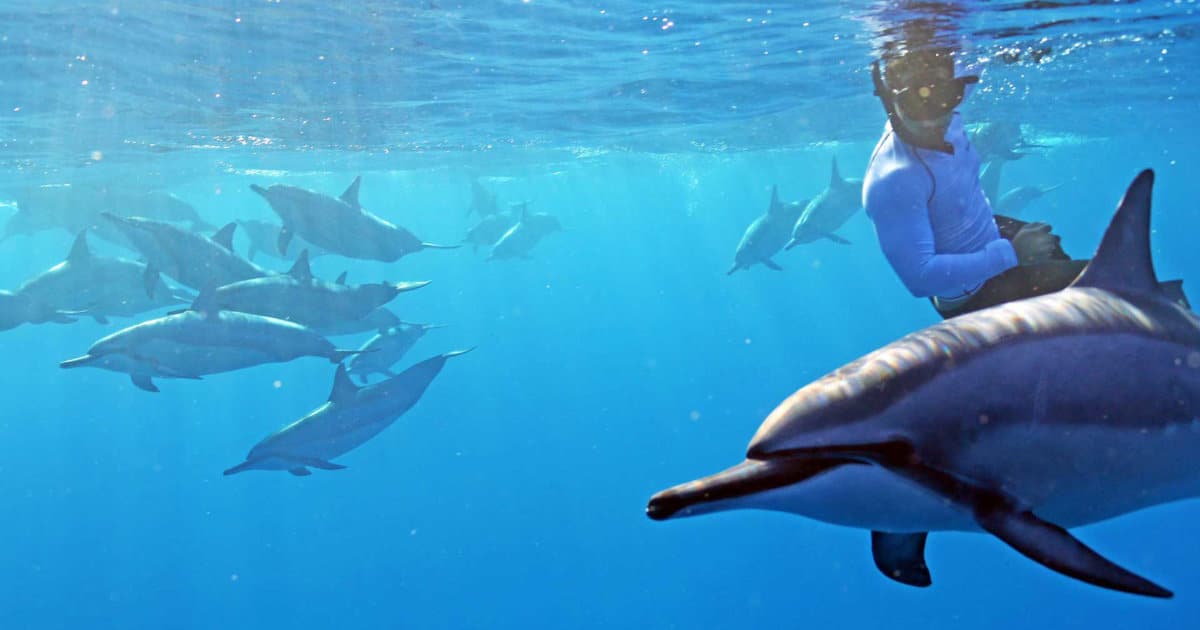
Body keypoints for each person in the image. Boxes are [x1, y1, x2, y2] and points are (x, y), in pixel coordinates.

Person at [862, 46, 1086, 319]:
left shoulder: (941, 110)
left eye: (946, 96)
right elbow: (920, 279)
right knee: (1105, 286)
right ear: (888, 99)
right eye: (915, 104)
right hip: (972, 295)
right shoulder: (893, 179)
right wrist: (1013, 254)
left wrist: (1013, 46)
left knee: (1057, 248)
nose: (933, 117)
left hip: (981, 233)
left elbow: (976, 54)